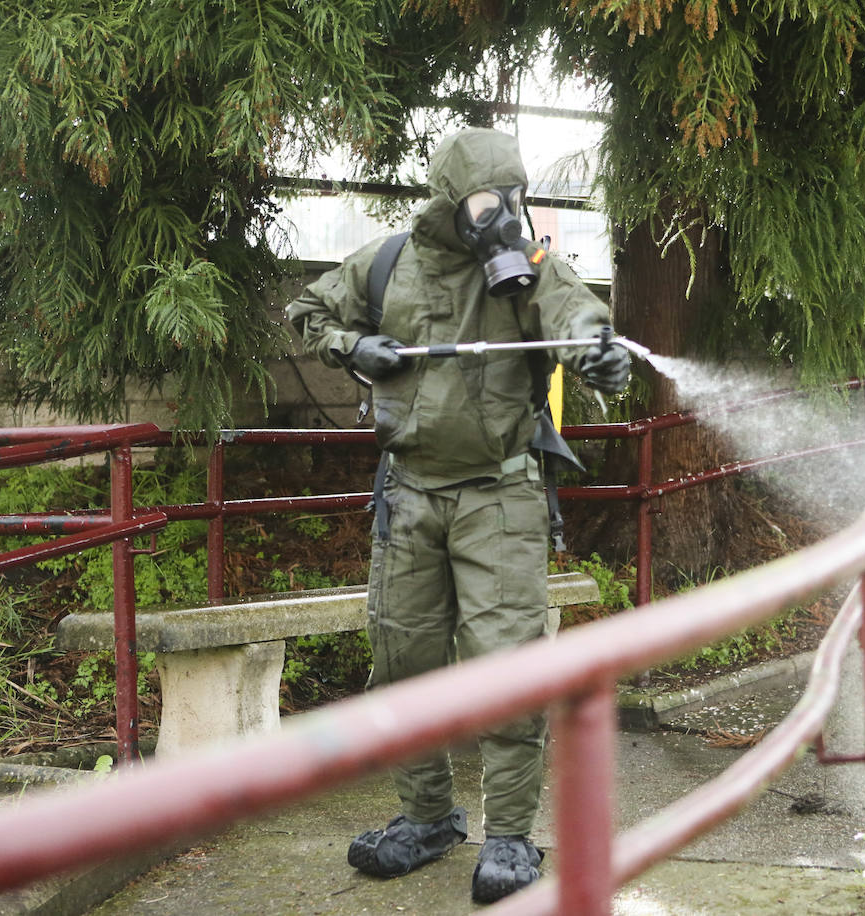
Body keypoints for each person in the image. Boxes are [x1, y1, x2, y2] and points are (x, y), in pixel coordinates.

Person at [285, 127, 630, 904]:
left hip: (500, 496)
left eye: (513, 197)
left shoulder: (525, 268)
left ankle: (509, 835)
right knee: (402, 658)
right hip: (409, 493)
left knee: (508, 664)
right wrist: (352, 346)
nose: (501, 214)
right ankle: (427, 817)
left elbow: (574, 313)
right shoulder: (387, 263)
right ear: (448, 199)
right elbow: (306, 310)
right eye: (485, 200)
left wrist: (597, 352)